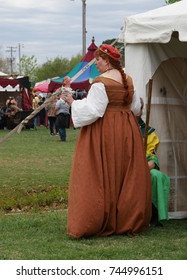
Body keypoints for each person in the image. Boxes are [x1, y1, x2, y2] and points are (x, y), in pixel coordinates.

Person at [61, 44, 152, 238]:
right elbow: (136, 108)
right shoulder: (128, 79)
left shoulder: (101, 82)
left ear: (107, 61)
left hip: (106, 131)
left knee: (102, 171)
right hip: (127, 131)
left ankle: (100, 218)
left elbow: (94, 111)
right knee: (123, 172)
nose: (97, 64)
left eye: (99, 61)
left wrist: (71, 102)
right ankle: (126, 219)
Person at [137, 98, 170, 226]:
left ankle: (154, 215)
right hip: (122, 169)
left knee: (156, 175)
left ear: (141, 110)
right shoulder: (119, 129)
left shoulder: (149, 132)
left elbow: (152, 159)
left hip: (143, 167)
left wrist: (141, 167)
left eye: (138, 108)